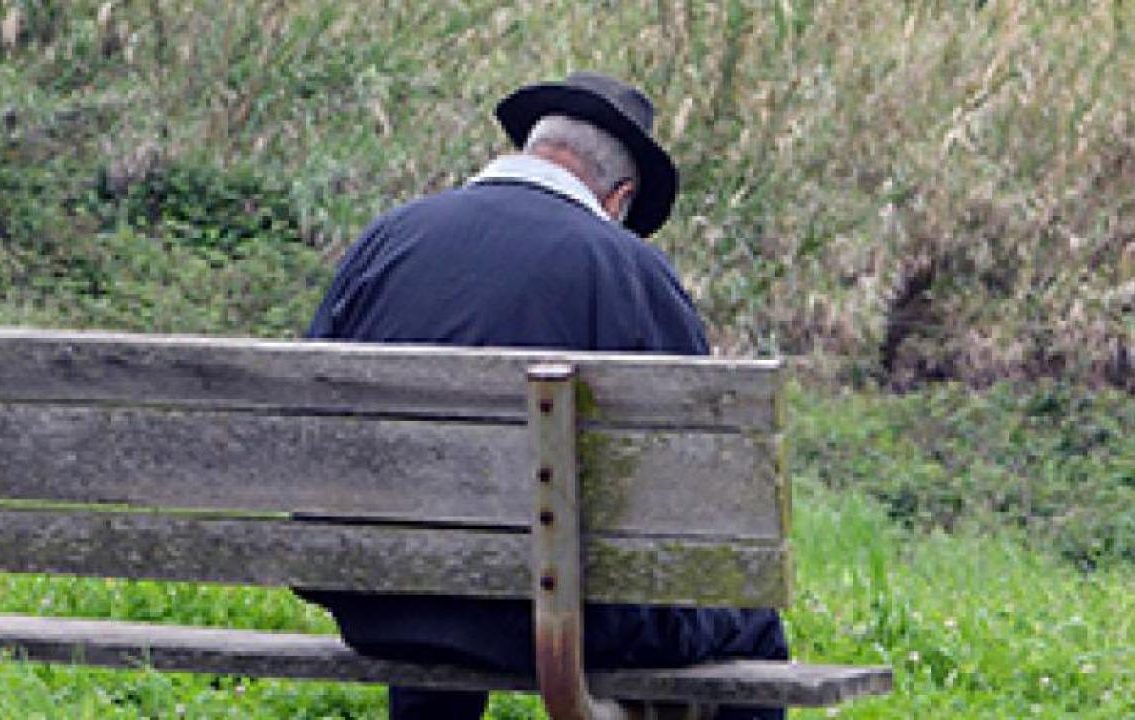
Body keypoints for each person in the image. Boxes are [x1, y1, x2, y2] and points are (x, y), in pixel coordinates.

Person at [296, 71, 788, 720]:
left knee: (442, 577)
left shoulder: (387, 240)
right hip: (559, 620)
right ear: (619, 199)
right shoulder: (630, 270)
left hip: (378, 597)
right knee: (750, 623)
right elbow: (701, 481)